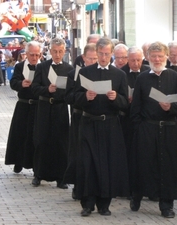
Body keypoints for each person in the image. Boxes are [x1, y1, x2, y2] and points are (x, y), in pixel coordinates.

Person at [129, 41, 177, 218]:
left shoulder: (175, 77)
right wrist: (139, 128)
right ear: (148, 58)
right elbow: (136, 107)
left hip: (169, 129)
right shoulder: (142, 78)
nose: (156, 59)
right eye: (153, 56)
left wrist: (172, 108)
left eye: (160, 56)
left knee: (168, 167)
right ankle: (137, 196)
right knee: (144, 164)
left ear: (166, 57)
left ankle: (166, 205)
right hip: (148, 128)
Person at [74, 37, 129, 217]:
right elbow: (71, 96)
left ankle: (104, 204)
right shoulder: (85, 72)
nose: (104, 57)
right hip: (89, 123)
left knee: (108, 164)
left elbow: (125, 104)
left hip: (110, 125)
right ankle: (87, 203)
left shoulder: (119, 75)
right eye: (101, 54)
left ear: (112, 54)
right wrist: (85, 97)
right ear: (96, 53)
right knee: (87, 164)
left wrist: (116, 98)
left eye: (107, 54)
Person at [31, 37, 74, 189]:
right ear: (50, 51)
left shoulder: (69, 69)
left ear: (64, 51)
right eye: (55, 51)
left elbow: (71, 92)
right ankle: (38, 174)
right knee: (42, 140)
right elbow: (34, 88)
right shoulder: (42, 67)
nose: (57, 54)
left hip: (60, 108)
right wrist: (46, 89)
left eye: (60, 51)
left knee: (61, 142)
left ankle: (61, 177)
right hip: (44, 107)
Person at [63, 43, 98, 199]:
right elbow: (68, 97)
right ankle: (78, 186)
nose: (92, 61)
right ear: (84, 58)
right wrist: (84, 97)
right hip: (79, 117)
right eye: (90, 58)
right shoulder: (73, 75)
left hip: (97, 119)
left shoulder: (101, 74)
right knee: (78, 154)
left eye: (95, 58)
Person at [5, 41, 42, 173]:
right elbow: (13, 82)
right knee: (20, 134)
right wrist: (21, 84)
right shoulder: (20, 66)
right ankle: (18, 161)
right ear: (26, 54)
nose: (34, 58)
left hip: (38, 107)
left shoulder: (42, 67)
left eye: (37, 55)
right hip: (23, 105)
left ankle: (34, 164)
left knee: (35, 136)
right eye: (32, 54)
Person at [120, 46, 149, 198]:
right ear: (127, 59)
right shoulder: (121, 73)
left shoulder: (148, 72)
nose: (136, 63)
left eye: (138, 60)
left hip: (144, 120)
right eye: (132, 60)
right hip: (126, 120)